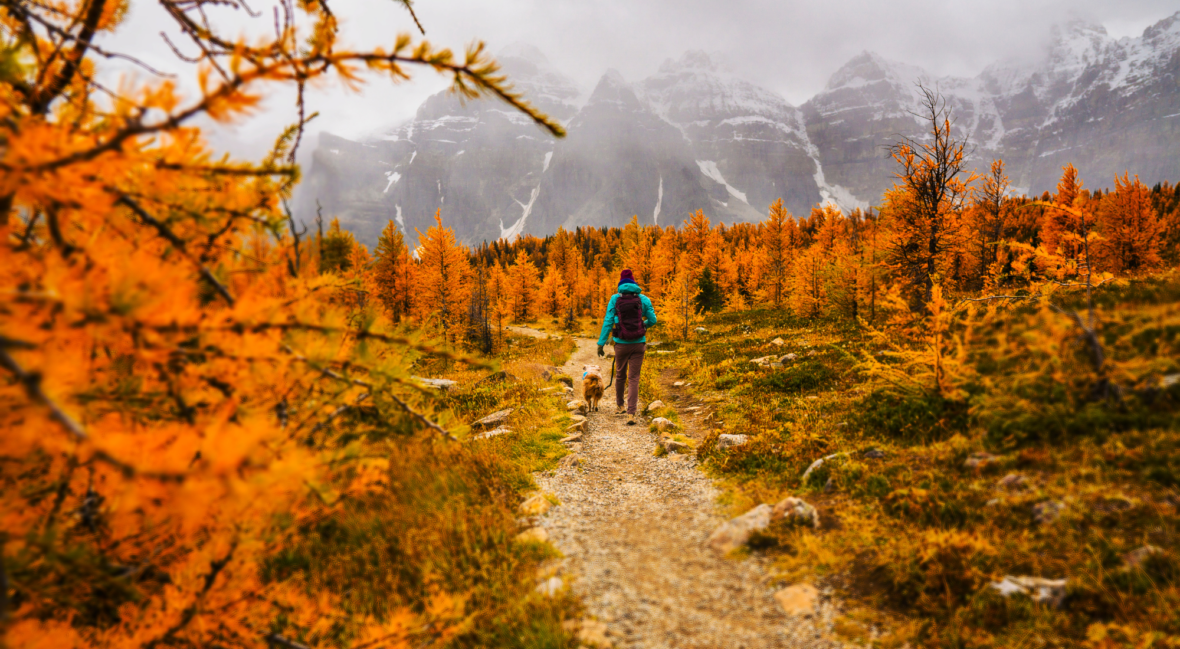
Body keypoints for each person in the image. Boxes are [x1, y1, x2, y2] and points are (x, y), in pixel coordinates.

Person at [597, 269, 658, 425]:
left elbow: (608, 322)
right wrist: (642, 325)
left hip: (621, 344)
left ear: (621, 283)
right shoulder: (643, 299)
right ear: (633, 281)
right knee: (634, 378)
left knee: (620, 375)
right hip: (638, 343)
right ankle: (631, 414)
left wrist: (601, 343)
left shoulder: (614, 299)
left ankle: (620, 406)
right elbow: (653, 320)